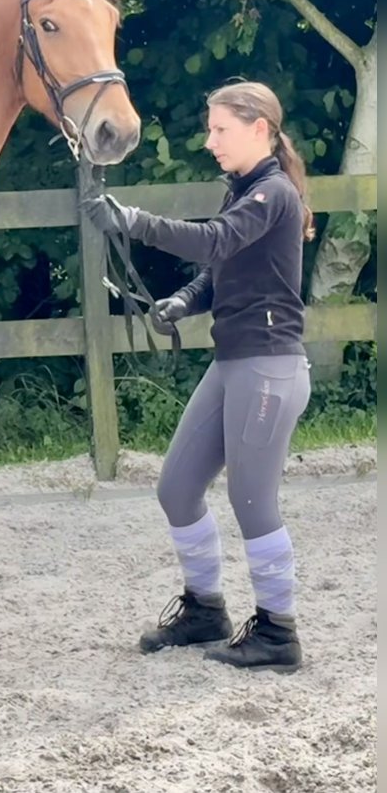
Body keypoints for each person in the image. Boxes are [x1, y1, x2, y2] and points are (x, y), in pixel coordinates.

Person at [81, 80, 314, 673]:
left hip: (268, 366)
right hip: (234, 363)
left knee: (252, 498)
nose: (210, 141)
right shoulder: (245, 190)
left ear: (259, 129)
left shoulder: (272, 193)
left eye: (220, 130)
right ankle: (206, 609)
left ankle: (279, 632)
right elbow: (222, 264)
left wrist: (133, 220)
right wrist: (185, 300)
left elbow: (214, 240)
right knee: (177, 489)